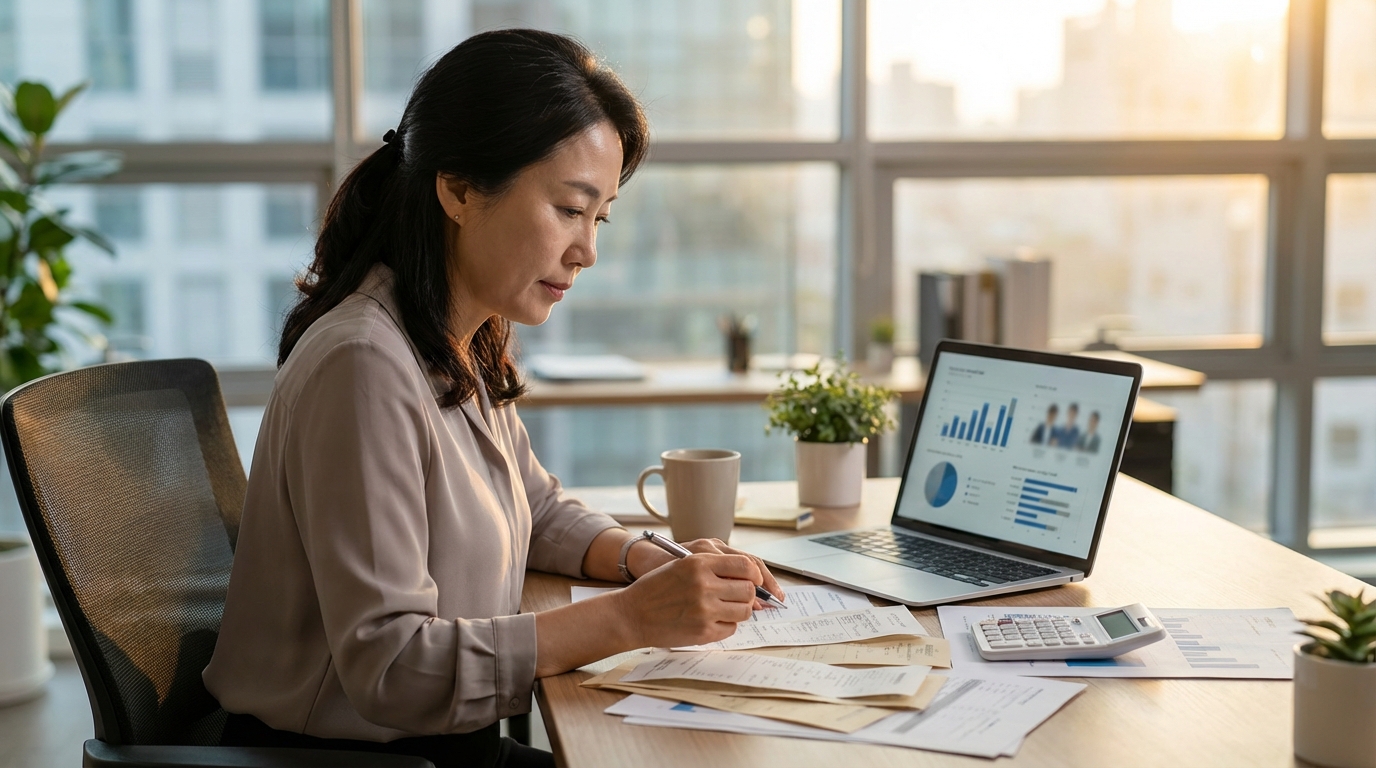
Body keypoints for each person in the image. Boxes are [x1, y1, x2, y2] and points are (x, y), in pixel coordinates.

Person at [202, 30, 784, 768]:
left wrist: (648, 562)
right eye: (570, 209)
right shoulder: (363, 365)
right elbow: (391, 667)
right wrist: (633, 617)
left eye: (599, 217)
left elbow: (536, 509)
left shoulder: (457, 337)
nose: (588, 251)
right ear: (460, 189)